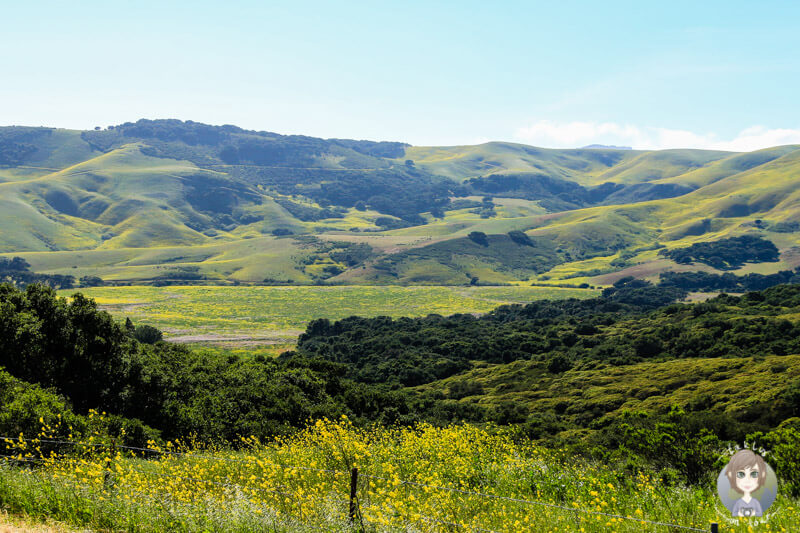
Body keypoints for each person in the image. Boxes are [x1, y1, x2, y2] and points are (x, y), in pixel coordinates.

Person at [725, 450, 767, 517]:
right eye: (741, 474)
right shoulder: (738, 503)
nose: (747, 480)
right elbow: (734, 514)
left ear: (762, 475)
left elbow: (760, 514)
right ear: (731, 475)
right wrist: (739, 514)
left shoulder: (755, 502)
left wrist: (753, 514)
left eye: (754, 474)